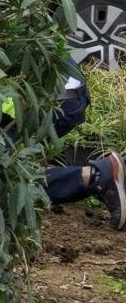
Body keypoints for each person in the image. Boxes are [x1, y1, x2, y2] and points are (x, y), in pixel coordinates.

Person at [42, 70, 125, 229]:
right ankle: (113, 184)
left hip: (55, 98)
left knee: (2, 182)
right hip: (68, 89)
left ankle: (97, 176)